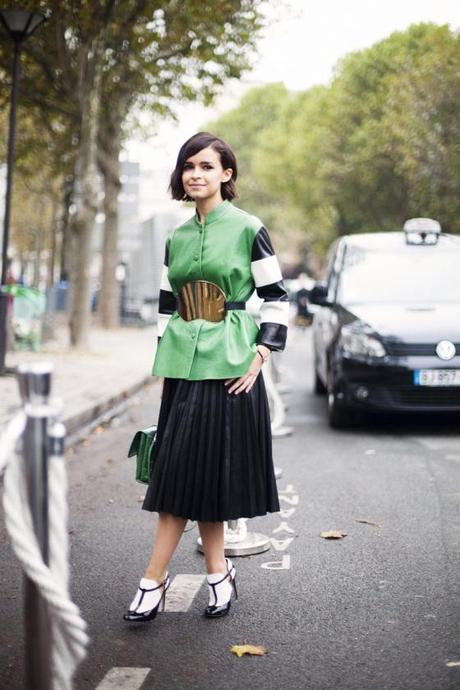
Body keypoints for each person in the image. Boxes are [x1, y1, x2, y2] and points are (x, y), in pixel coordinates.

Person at [124, 132, 289, 623]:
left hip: (231, 366)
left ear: (226, 174)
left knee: (193, 475)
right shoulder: (175, 237)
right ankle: (219, 573)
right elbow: (165, 306)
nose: (195, 174)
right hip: (182, 368)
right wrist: (164, 365)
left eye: (205, 166)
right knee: (192, 473)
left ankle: (152, 580)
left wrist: (260, 354)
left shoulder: (247, 228)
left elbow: (277, 295)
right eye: (188, 166)